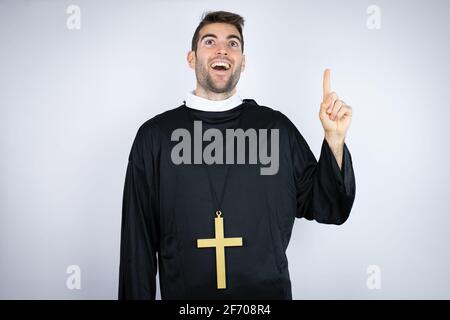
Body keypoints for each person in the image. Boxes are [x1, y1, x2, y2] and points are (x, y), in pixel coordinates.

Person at [118, 11, 355, 300]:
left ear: (243, 62)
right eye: (209, 41)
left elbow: (327, 206)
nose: (222, 49)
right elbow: (137, 245)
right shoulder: (155, 137)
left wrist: (334, 140)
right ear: (191, 58)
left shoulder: (275, 129)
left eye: (233, 44)